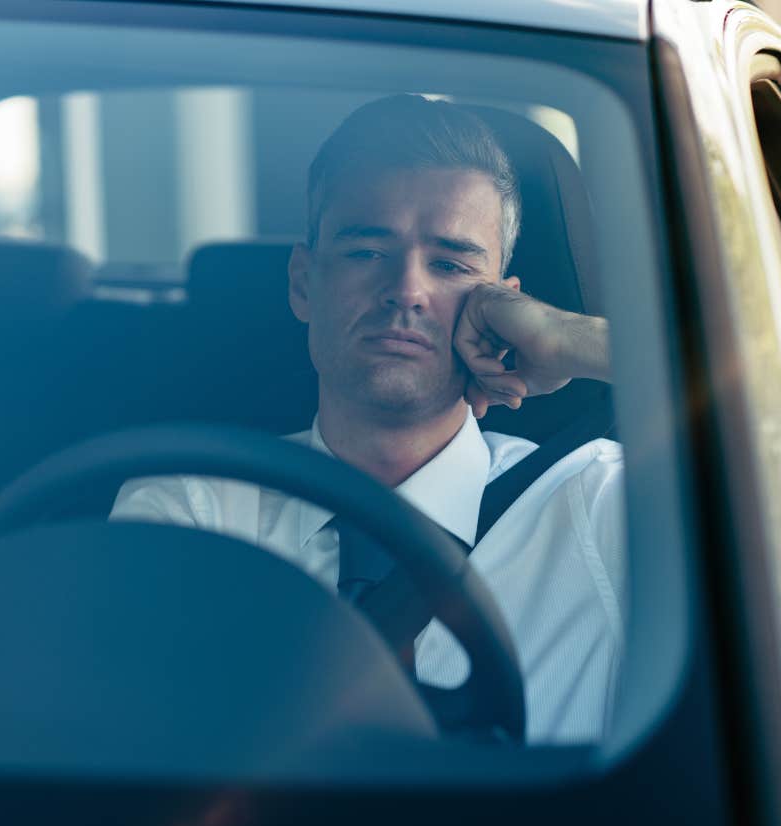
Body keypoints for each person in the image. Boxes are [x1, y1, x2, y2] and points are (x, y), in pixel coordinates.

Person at [111, 94, 623, 744]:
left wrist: (579, 341)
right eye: (365, 252)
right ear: (303, 283)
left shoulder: (597, 502)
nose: (406, 289)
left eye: (451, 263)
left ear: (504, 303)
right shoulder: (190, 514)